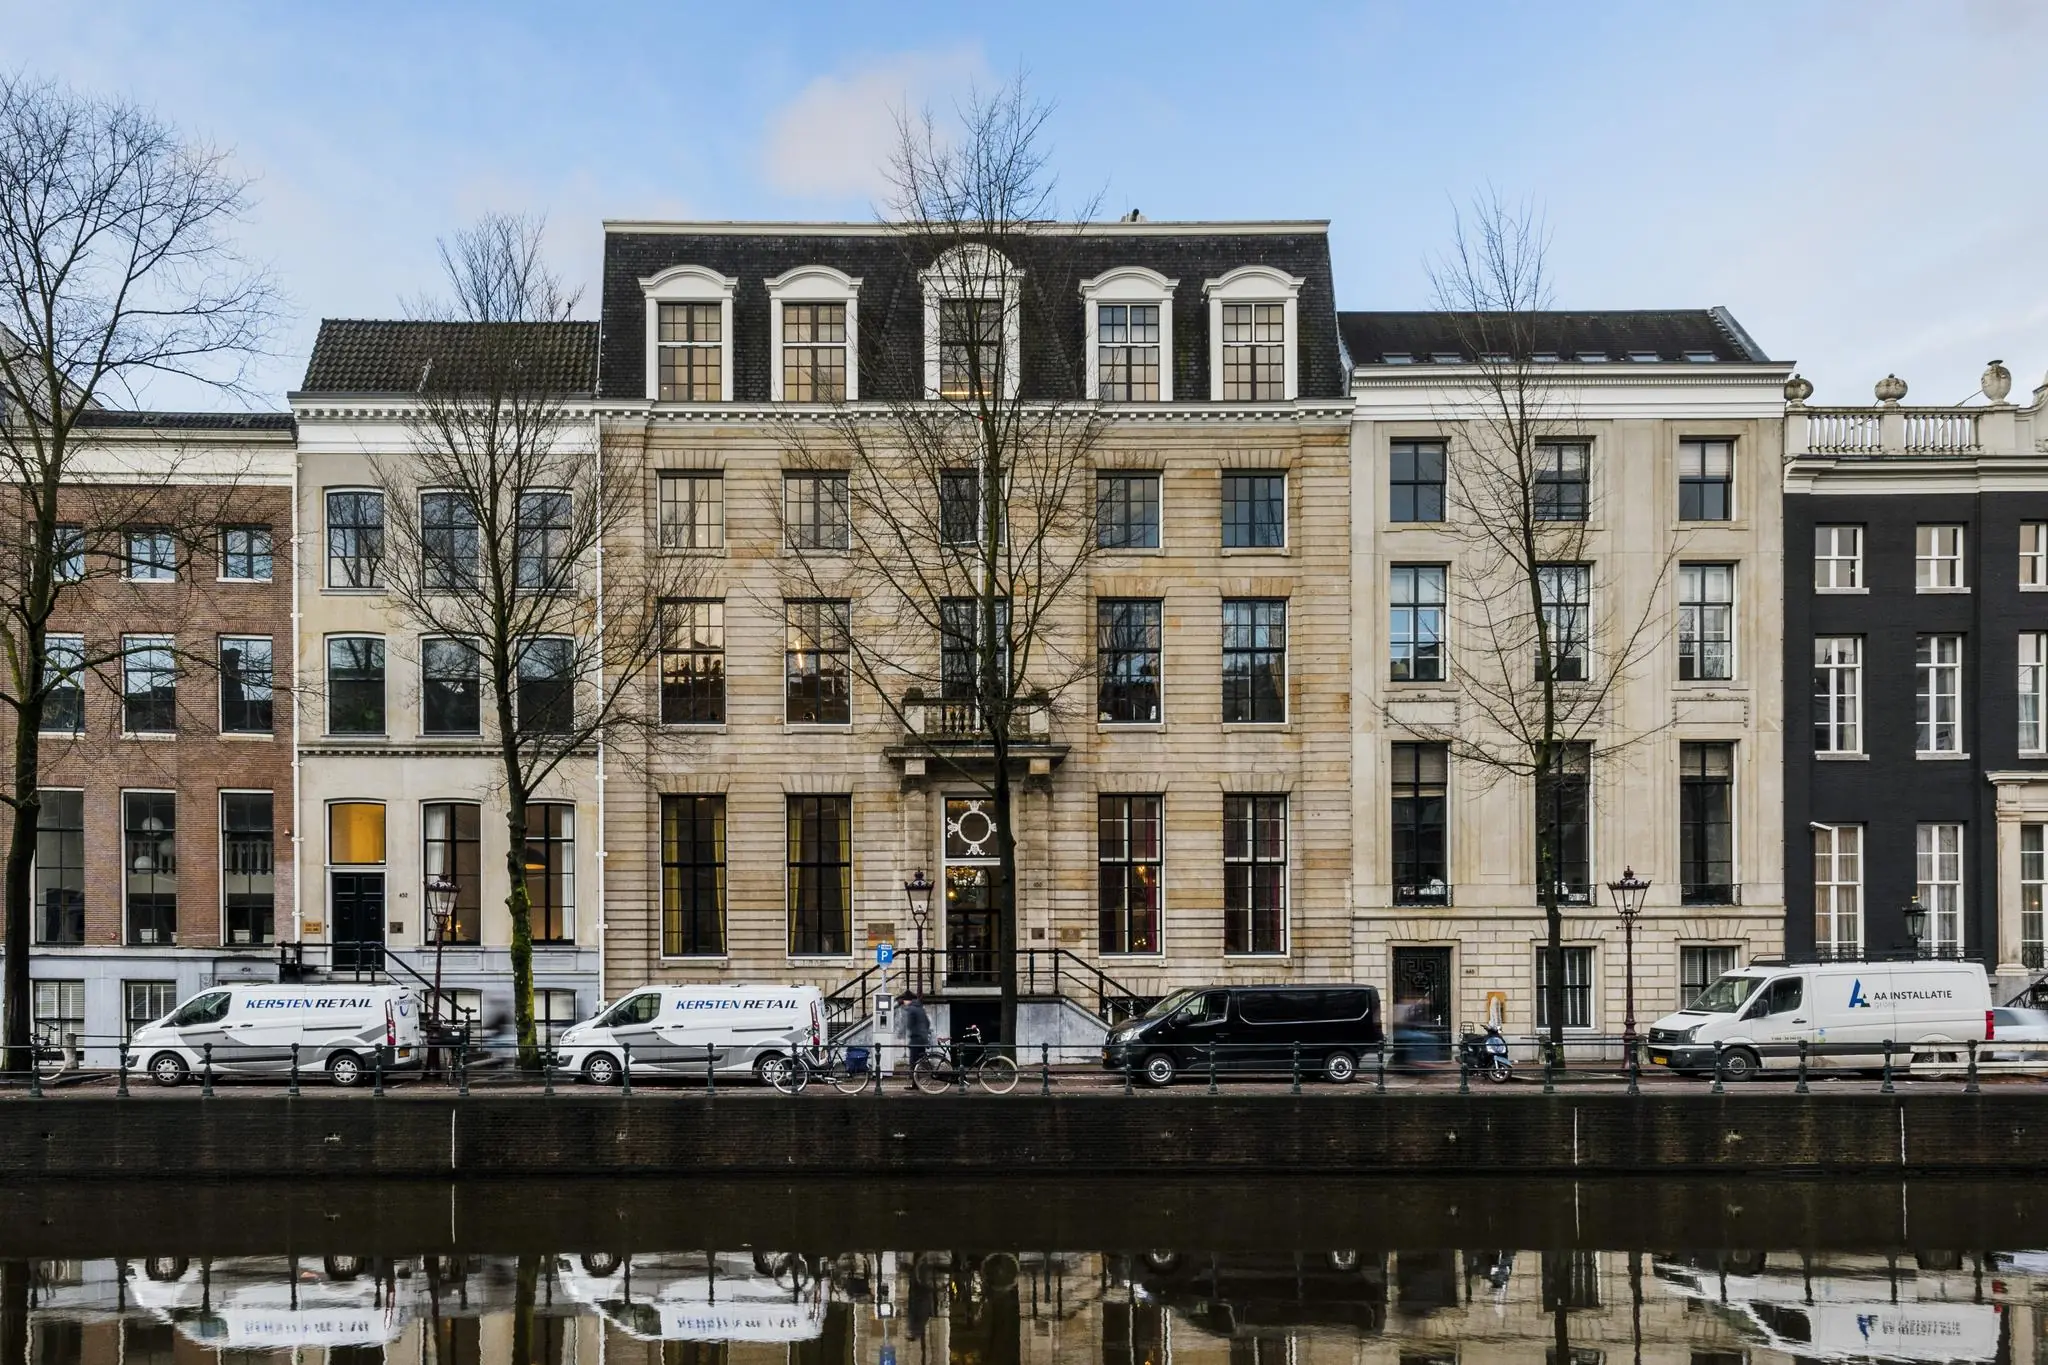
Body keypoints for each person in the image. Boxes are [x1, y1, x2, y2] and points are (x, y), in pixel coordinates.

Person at [895, 992, 933, 1088]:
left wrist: (901, 1035)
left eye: (904, 1000)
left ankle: (915, 1084)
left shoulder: (911, 1009)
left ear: (908, 1000)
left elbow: (908, 1024)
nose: (903, 1002)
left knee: (913, 1062)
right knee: (919, 1062)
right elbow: (927, 1022)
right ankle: (918, 1083)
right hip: (922, 1039)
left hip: (916, 1039)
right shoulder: (920, 1008)